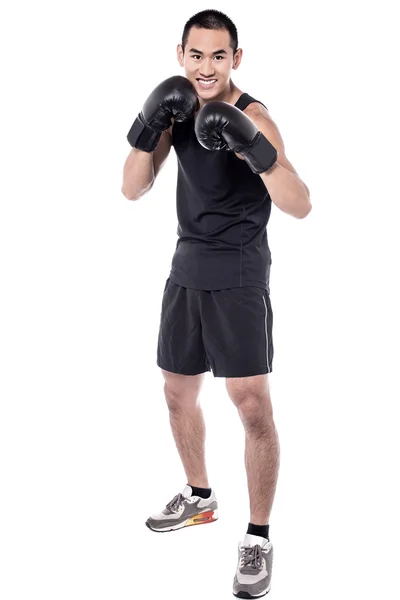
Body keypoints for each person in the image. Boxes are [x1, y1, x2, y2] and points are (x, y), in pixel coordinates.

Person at [121, 9, 311, 598]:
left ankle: (257, 536)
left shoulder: (254, 116)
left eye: (219, 56)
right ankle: (200, 498)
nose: (207, 67)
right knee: (177, 392)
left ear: (237, 59)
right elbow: (132, 187)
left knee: (251, 403)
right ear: (180, 54)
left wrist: (255, 150)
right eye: (196, 55)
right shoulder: (175, 110)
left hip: (239, 271)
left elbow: (301, 203)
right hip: (186, 265)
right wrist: (145, 124)